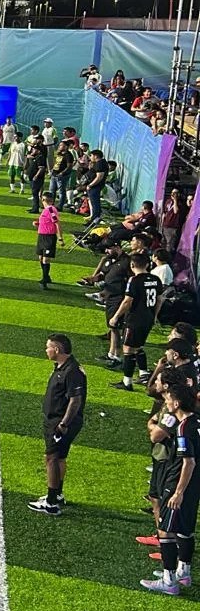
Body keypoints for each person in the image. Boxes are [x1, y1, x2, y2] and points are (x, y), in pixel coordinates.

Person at [143, 380, 197, 593]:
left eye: (168, 399)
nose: (166, 402)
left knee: (165, 531)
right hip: (194, 485)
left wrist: (178, 492)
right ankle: (184, 572)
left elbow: (189, 462)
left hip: (178, 483)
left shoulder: (182, 428)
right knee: (185, 529)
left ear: (176, 403)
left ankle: (169, 581)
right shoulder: (196, 421)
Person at [28, 333, 86, 516]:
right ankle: (57, 494)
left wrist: (63, 425)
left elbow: (75, 400)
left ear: (57, 349)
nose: (46, 350)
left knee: (51, 458)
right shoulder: (65, 367)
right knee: (60, 457)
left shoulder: (72, 371)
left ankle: (51, 503)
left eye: (48, 347)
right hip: (58, 420)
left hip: (60, 421)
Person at [111, 254, 162, 391]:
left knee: (128, 349)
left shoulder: (134, 280)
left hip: (135, 319)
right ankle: (143, 373)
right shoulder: (156, 279)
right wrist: (155, 315)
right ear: (147, 264)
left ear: (132, 265)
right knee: (138, 346)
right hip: (148, 318)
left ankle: (127, 382)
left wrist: (115, 316)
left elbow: (127, 301)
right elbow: (159, 299)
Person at [36, 193, 61, 290]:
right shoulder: (46, 210)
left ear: (43, 200)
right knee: (41, 258)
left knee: (46, 259)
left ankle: (44, 280)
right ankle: (47, 276)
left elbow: (57, 223)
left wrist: (60, 238)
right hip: (42, 236)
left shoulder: (51, 209)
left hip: (49, 237)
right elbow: (48, 222)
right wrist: (38, 224)